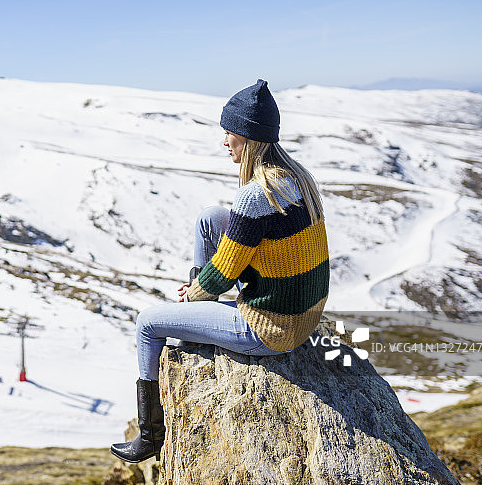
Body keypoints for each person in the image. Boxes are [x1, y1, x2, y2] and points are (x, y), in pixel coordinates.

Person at [110, 79, 330, 464]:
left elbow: (226, 270)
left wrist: (194, 294)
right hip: (303, 313)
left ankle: (150, 435)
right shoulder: (295, 177)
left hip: (270, 329)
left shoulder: (256, 193)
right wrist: (203, 288)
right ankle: (195, 323)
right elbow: (234, 254)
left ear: (247, 137)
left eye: (228, 133)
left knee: (147, 322)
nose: (224, 142)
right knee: (210, 218)